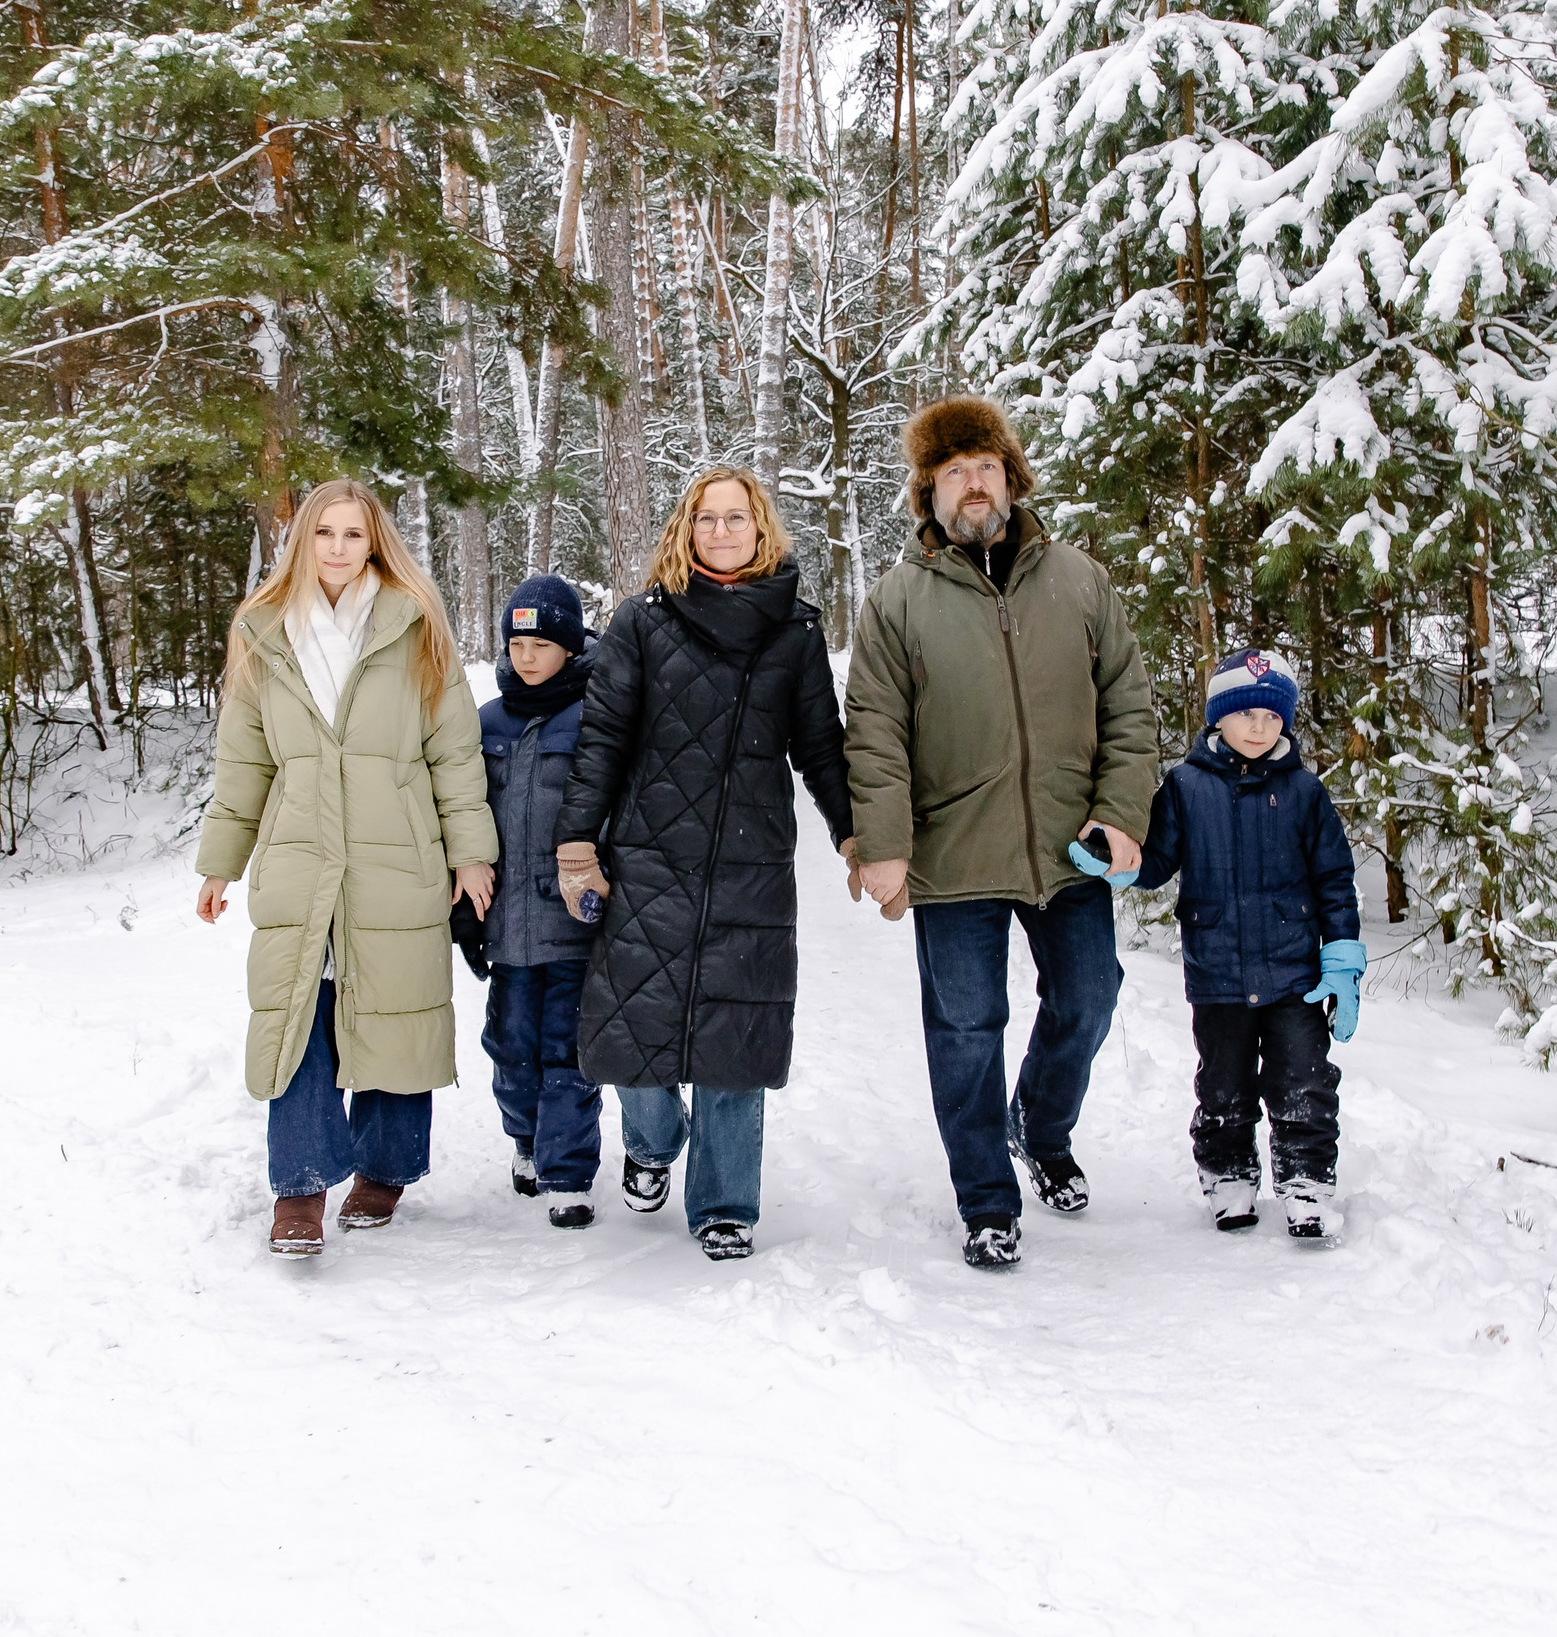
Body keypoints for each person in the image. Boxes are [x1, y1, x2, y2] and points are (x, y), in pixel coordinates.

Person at [845, 396, 1161, 1270]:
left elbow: (1130, 709)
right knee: (966, 1028)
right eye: (954, 474)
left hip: (1068, 850)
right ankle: (987, 1199)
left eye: (985, 467)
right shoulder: (898, 603)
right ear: (929, 494)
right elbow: (874, 731)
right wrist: (883, 843)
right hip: (952, 857)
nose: (973, 486)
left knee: (1090, 998)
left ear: (1011, 478)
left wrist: (1123, 812)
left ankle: (1041, 1126)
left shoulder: (1079, 581)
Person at [552, 466, 853, 1262]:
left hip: (752, 865)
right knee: (629, 1032)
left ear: (762, 530)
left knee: (736, 1037)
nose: (721, 532)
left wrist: (856, 837)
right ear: (685, 531)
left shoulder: (795, 631)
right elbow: (603, 740)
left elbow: (822, 748)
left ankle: (723, 1201)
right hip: (650, 856)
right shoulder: (642, 623)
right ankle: (652, 1142)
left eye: (736, 519)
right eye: (706, 519)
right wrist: (578, 846)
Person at [194, 478, 496, 1259]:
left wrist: (471, 852)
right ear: (301, 541)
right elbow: (244, 762)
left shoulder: (415, 626)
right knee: (298, 1018)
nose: (336, 549)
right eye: (323, 533)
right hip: (301, 858)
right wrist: (219, 864)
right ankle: (297, 1187)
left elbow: (453, 751)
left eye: (353, 535)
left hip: (396, 857)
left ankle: (384, 1170)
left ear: (375, 543)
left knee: (394, 1009)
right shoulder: (264, 633)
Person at [1134, 647, 1364, 1239]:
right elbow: (1157, 860)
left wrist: (1340, 956)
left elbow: (1334, 876)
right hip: (1218, 971)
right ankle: (1230, 1177)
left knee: (1304, 1080)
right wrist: (1119, 864)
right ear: (1218, 719)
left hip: (1294, 975)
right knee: (1223, 1082)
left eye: (1272, 716)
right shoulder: (1185, 786)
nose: (1259, 729)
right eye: (1245, 716)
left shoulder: (1305, 791)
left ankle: (1307, 1183)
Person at [472, 575, 605, 1230]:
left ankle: (569, 1174)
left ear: (570, 646)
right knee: (511, 1046)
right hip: (507, 926)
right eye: (517, 643)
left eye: (542, 643)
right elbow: (465, 816)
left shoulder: (595, 716)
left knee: (569, 1051)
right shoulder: (487, 723)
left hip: (575, 927)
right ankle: (524, 1140)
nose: (527, 656)